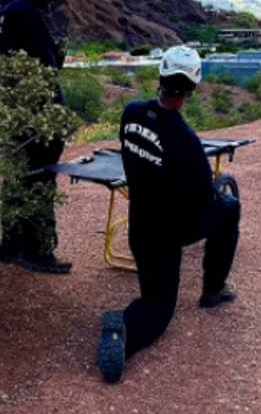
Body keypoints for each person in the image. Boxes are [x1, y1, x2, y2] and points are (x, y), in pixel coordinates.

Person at [96, 46, 240, 384]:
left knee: (154, 293)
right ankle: (208, 290)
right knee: (228, 209)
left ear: (160, 78)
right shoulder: (185, 140)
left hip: (141, 227)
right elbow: (203, 197)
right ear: (192, 89)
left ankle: (201, 291)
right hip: (166, 235)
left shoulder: (131, 114)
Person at [0, 0, 76, 274]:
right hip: (38, 118)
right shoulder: (26, 14)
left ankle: (10, 249)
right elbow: (46, 69)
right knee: (40, 182)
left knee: (16, 181)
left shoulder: (4, 13)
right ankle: (37, 252)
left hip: (15, 113)